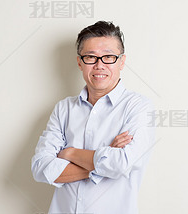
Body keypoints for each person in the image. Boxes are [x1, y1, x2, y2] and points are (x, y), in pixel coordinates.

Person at [31, 21, 155, 214]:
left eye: (109, 57)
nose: (99, 65)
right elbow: (40, 168)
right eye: (91, 57)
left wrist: (70, 153)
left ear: (122, 61)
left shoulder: (138, 107)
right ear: (80, 62)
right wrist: (104, 161)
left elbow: (123, 163)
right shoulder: (64, 108)